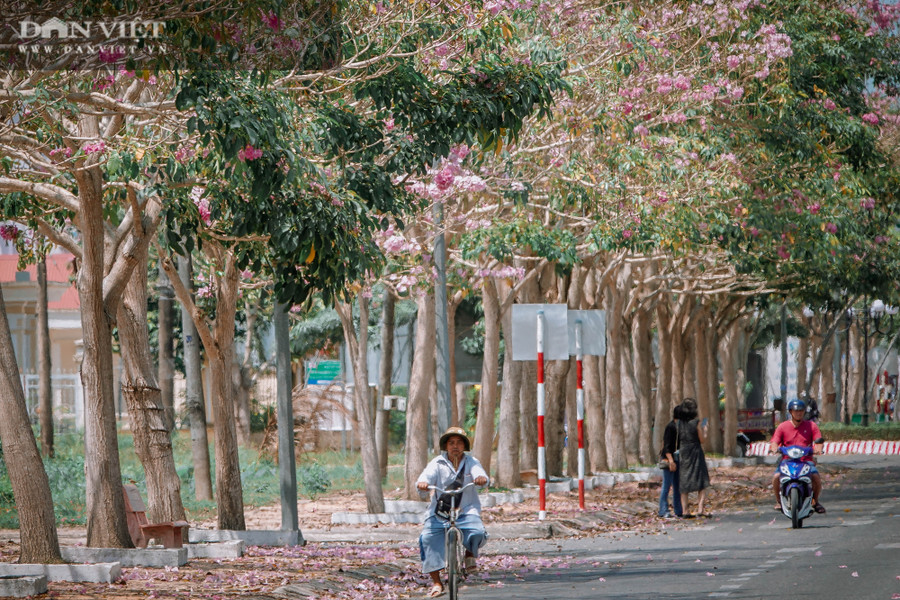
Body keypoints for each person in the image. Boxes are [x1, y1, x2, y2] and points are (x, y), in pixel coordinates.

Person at [416, 426, 489, 598]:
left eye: (459, 443)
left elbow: (481, 475)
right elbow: (425, 477)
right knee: (427, 537)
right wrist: (423, 483)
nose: (455, 446)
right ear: (446, 446)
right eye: (451, 443)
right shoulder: (437, 462)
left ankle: (469, 554)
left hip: (466, 510)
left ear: (464, 446)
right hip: (440, 512)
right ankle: (436, 582)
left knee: (477, 532)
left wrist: (481, 479)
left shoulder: (471, 462)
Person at [770, 398, 826, 514]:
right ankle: (778, 501)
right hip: (787, 461)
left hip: (806, 461)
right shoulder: (782, 427)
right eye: (796, 411)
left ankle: (815, 501)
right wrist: (774, 448)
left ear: (804, 412)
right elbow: (774, 441)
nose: (798, 413)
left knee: (815, 477)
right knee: (776, 477)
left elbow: (818, 441)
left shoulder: (811, 426)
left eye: (801, 410)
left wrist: (818, 449)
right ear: (790, 412)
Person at [677, 398, 710, 517]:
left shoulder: (679, 424)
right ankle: (700, 509)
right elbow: (702, 440)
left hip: (684, 452)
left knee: (684, 480)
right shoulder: (696, 423)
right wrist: (705, 430)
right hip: (695, 451)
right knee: (701, 479)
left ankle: (685, 510)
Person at [658, 403, 684, 519]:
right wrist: (671, 461)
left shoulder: (679, 428)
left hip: (677, 459)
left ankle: (678, 509)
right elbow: (667, 446)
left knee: (677, 486)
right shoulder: (671, 427)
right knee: (666, 486)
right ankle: (663, 510)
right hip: (669, 460)